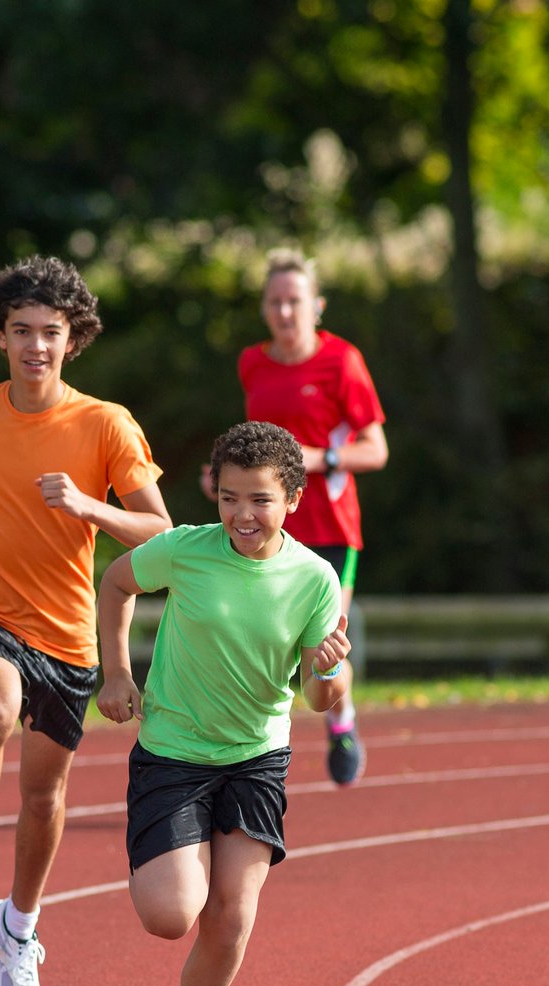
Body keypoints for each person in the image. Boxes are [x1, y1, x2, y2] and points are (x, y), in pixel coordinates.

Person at [0, 255, 171, 986]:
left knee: (44, 793)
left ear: (73, 340)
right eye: (20, 331)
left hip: (68, 632)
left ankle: (17, 928)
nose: (34, 347)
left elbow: (158, 527)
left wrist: (90, 506)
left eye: (49, 334)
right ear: (0, 336)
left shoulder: (103, 424)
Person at [98, 421, 349, 986]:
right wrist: (116, 673)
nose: (243, 515)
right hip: (173, 753)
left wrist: (330, 674)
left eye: (260, 500)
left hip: (256, 758)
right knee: (171, 915)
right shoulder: (183, 550)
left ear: (291, 500)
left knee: (231, 918)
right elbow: (116, 584)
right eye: (230, 498)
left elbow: (322, 697)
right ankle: (179, 860)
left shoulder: (313, 579)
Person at [220, 248, 386, 787]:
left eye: (295, 301)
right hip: (268, 524)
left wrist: (321, 459)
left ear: (316, 306)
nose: (285, 312)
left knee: (323, 643)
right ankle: (252, 755)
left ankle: (340, 720)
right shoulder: (252, 363)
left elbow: (376, 449)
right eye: (275, 302)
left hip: (333, 526)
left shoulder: (342, 362)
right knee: (264, 637)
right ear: (265, 309)